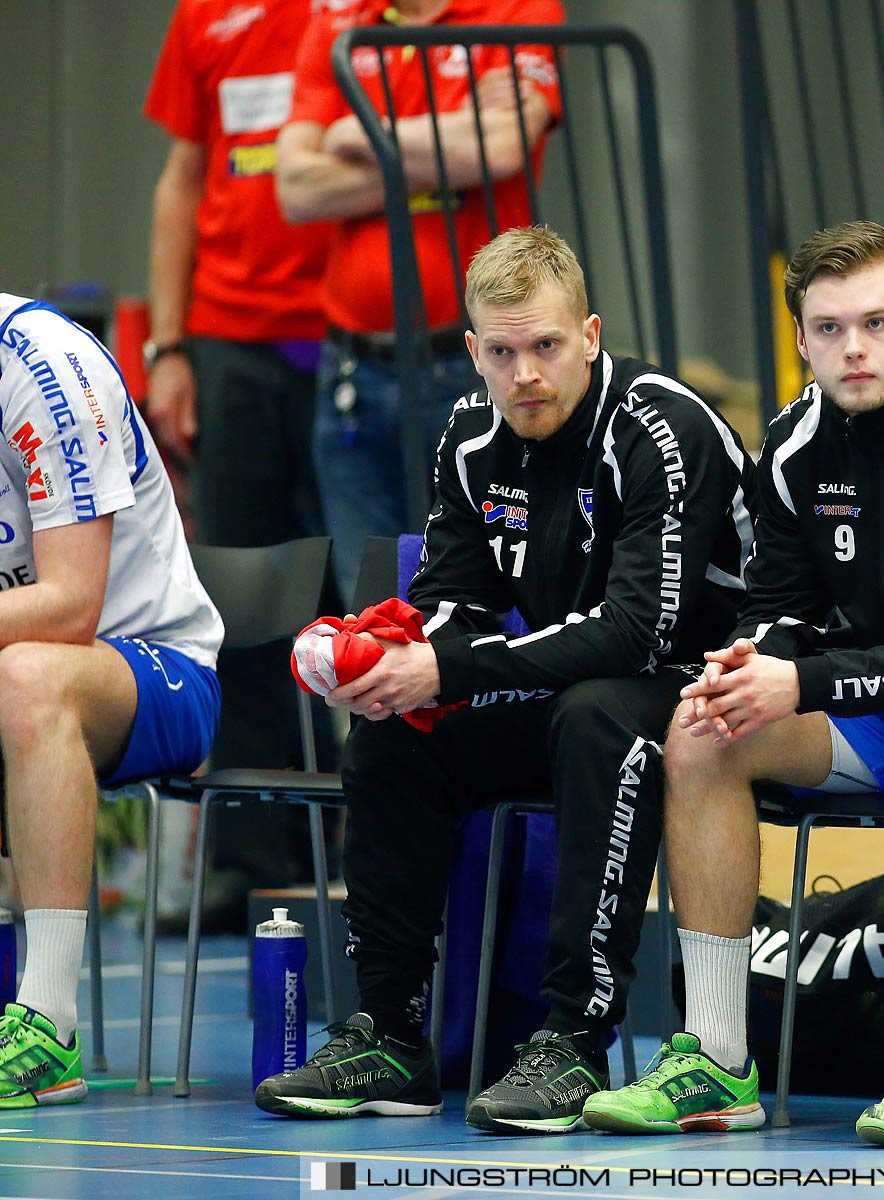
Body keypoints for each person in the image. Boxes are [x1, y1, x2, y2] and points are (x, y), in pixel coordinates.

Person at [252, 225, 754, 1134]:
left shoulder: (660, 427)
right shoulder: (468, 433)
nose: (525, 374)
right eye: (501, 351)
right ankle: (392, 1035)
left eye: (547, 347)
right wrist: (385, 656)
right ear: (475, 352)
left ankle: (572, 1037)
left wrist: (443, 665)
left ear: (591, 336)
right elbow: (452, 600)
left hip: (698, 688)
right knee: (397, 728)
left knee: (596, 716)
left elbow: (635, 633)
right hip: (563, 686)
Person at [578, 220, 884, 1141]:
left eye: (876, 323)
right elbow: (780, 602)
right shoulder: (795, 441)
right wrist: (752, 664)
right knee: (702, 726)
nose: (854, 348)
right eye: (830, 328)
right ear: (799, 338)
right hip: (870, 700)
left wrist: (807, 682)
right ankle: (714, 1058)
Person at [0, 293, 224, 1108]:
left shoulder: (43, 366)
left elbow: (69, 606)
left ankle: (48, 1025)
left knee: (26, 674)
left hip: (157, 669)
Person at [143, 0, 335, 921]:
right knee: (244, 606)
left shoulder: (364, 14)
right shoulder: (205, 18)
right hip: (233, 344)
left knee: (372, 592)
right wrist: (169, 345)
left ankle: (369, 842)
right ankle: (254, 860)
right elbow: (182, 176)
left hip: (357, 343)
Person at [276, 0, 563, 601]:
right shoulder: (338, 21)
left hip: (481, 366)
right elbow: (297, 188)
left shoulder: (515, 11)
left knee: (493, 596)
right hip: (352, 369)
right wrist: (453, 147)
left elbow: (503, 148)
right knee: (372, 609)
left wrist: (356, 133)